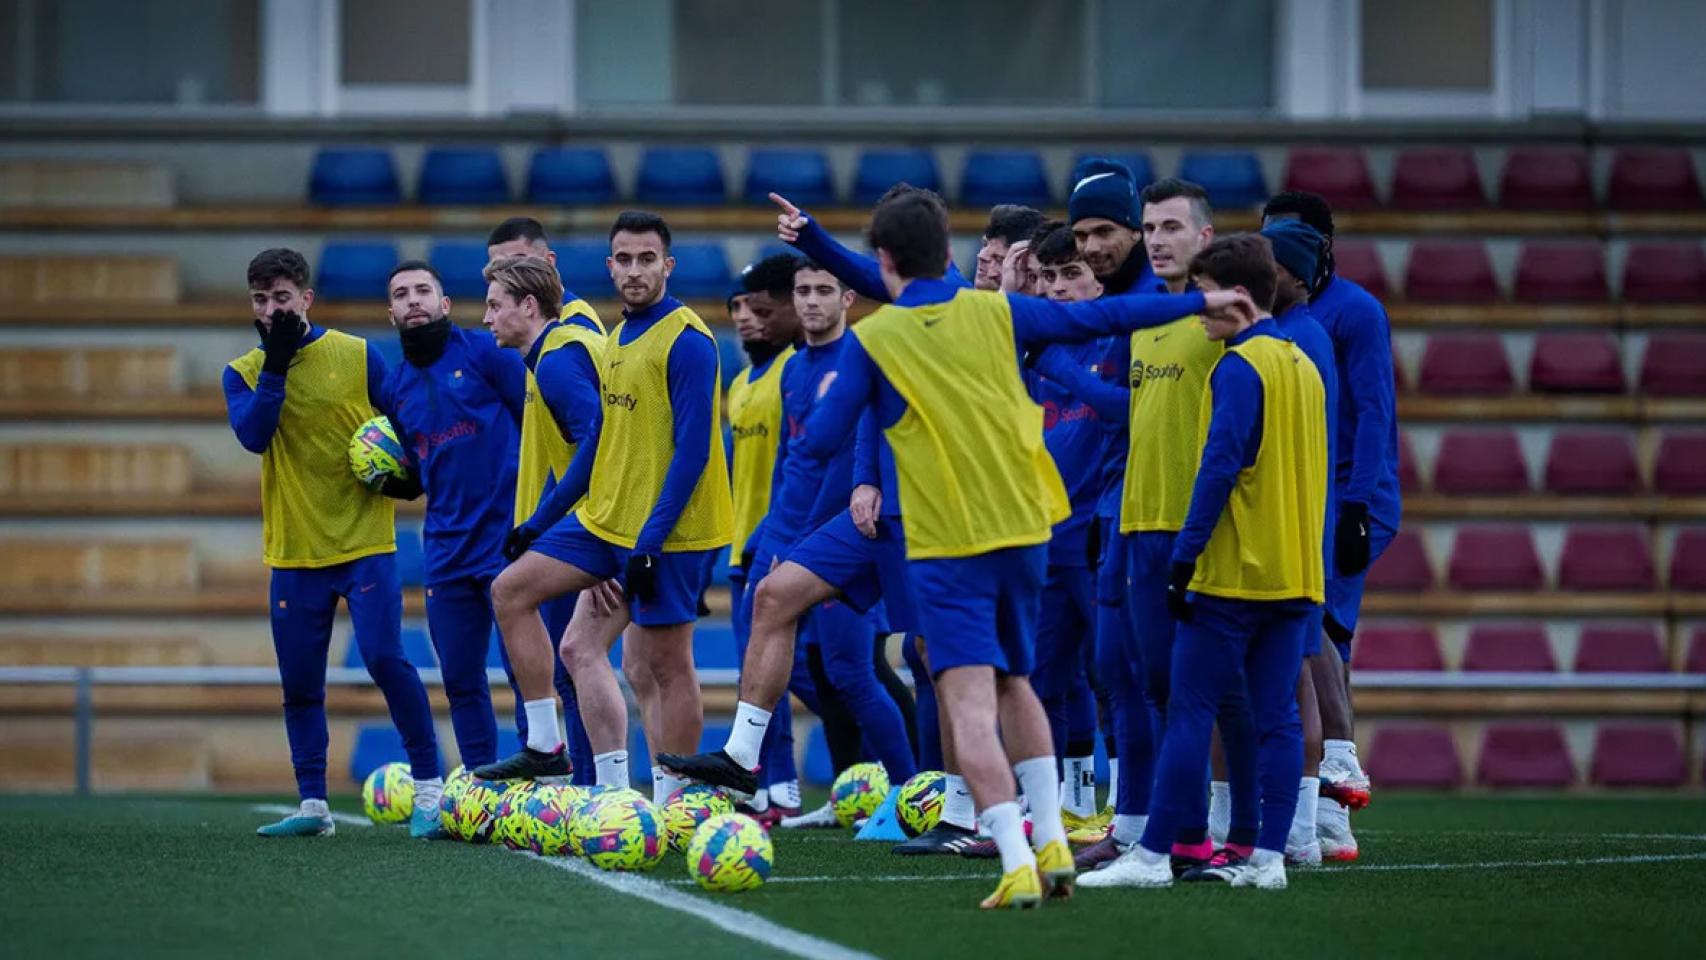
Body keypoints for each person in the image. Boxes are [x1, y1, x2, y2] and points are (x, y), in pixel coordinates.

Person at [664, 188, 1253, 909]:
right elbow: (1106, 315)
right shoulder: (997, 312)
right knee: (1017, 683)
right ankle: (1054, 842)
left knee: (967, 696)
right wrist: (1204, 303)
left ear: (884, 262)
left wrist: (824, 421)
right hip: (1027, 527)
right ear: (948, 252)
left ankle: (1015, 858)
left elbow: (819, 442)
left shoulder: (877, 340)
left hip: (948, 537)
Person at [1082, 233, 1327, 892]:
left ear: (1237, 296)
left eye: (1204, 296)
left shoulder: (1237, 368)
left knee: (1189, 709)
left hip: (1232, 572)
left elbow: (1219, 468)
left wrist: (1184, 557)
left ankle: (1153, 855)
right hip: (1294, 572)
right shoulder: (1300, 363)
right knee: (1277, 716)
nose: (1196, 310)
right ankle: (1267, 859)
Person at [478, 212, 733, 809]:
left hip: (671, 532)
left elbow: (694, 451)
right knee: (518, 597)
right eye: (624, 259)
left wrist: (649, 542)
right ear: (609, 265)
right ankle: (564, 758)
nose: (635, 270)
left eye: (647, 259)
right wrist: (540, 522)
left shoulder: (689, 341)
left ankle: (676, 803)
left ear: (668, 266)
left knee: (663, 664)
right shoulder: (617, 336)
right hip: (608, 522)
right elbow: (598, 445)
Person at [223, 248, 442, 838]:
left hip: (365, 541)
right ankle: (314, 806)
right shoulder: (242, 372)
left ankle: (430, 787)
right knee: (300, 684)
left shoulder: (357, 354)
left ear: (307, 299)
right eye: (261, 300)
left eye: (282, 298)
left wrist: (410, 474)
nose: (272, 310)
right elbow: (253, 435)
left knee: (385, 659)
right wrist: (275, 365)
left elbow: (408, 424)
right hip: (295, 551)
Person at [1262, 190, 1403, 863]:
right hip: (1304, 488)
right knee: (1319, 634)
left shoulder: (1355, 311)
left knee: (1313, 621)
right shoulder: (1273, 309)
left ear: (1322, 246)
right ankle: (1328, 812)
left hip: (1346, 493)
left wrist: (1356, 506)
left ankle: (1339, 764)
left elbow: (1374, 410)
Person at [760, 260, 920, 823]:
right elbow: (792, 459)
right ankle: (855, 789)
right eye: (802, 291)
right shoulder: (792, 368)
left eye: (823, 290)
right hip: (803, 536)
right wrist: (775, 533)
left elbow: (845, 463)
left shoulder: (861, 355)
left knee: (855, 670)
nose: (811, 301)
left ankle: (909, 793)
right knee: (825, 669)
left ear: (848, 298)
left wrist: (804, 537)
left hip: (852, 534)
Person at [376, 259, 529, 778]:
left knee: (526, 671)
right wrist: (393, 479)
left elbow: (538, 424)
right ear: (392, 313)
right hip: (445, 551)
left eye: (423, 290)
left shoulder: (486, 352)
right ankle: (482, 786)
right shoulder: (394, 388)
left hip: (508, 541)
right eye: (401, 294)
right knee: (461, 680)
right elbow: (420, 467)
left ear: (444, 303)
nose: (413, 300)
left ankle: (540, 777)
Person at [484, 216, 604, 783]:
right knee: (579, 658)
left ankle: (582, 781)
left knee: (583, 660)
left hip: (590, 524)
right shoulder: (545, 350)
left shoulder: (563, 348)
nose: (486, 315)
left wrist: (582, 537)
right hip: (581, 522)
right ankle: (581, 781)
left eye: (496, 300)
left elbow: (598, 441)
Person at [1020, 224, 1112, 839]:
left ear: (1099, 280)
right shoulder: (1034, 348)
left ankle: (1129, 811)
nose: (1057, 288)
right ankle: (1044, 811)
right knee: (1041, 678)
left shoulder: (1117, 339)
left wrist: (1056, 364)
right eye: (1048, 277)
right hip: (1045, 534)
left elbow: (1120, 408)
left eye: (1071, 274)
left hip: (1100, 532)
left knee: (1114, 676)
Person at [1259, 219, 1340, 869]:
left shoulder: (1300, 339)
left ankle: (1302, 827)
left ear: (1289, 274)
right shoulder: (1299, 334)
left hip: (1289, 523)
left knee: (1297, 680)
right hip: (1294, 520)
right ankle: (1297, 826)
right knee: (1290, 678)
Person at [724, 254, 810, 822]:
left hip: (784, 542)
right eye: (735, 308)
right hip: (742, 547)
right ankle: (772, 785)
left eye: (755, 307)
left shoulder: (792, 371)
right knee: (753, 671)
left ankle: (782, 786)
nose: (745, 317)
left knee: (837, 673)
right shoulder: (737, 385)